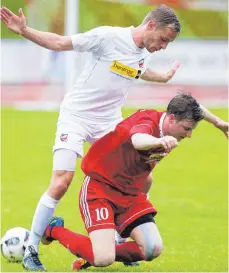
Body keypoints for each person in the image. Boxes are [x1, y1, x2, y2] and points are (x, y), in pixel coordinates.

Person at [0, 4, 228, 271]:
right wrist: (24, 30)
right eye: (164, 39)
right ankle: (32, 248)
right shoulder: (109, 37)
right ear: (151, 26)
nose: (164, 46)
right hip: (77, 116)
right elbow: (61, 42)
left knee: (145, 177)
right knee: (62, 181)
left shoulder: (143, 54)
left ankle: (119, 236)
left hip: (109, 123)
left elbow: (138, 71)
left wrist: (163, 79)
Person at [40, 92, 226, 271]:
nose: (189, 135)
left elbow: (198, 107)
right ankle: (54, 229)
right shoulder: (146, 122)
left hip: (130, 193)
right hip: (101, 188)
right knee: (103, 259)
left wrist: (218, 123)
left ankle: (92, 253)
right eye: (187, 129)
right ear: (171, 119)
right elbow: (138, 140)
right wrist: (159, 142)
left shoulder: (174, 122)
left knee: (153, 249)